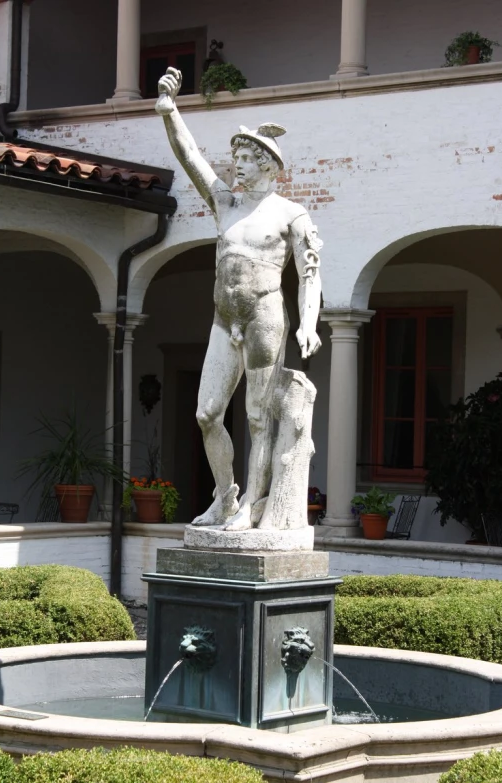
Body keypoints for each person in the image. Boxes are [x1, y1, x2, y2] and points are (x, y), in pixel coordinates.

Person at [156, 67, 322, 531]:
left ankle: (253, 504)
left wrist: (309, 323)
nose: (237, 166)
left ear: (267, 163)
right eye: (235, 158)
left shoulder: (291, 213)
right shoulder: (225, 203)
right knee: (207, 413)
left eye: (246, 158)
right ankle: (225, 497)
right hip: (222, 319)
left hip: (265, 315)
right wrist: (170, 112)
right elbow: (190, 159)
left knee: (257, 417)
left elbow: (310, 273)